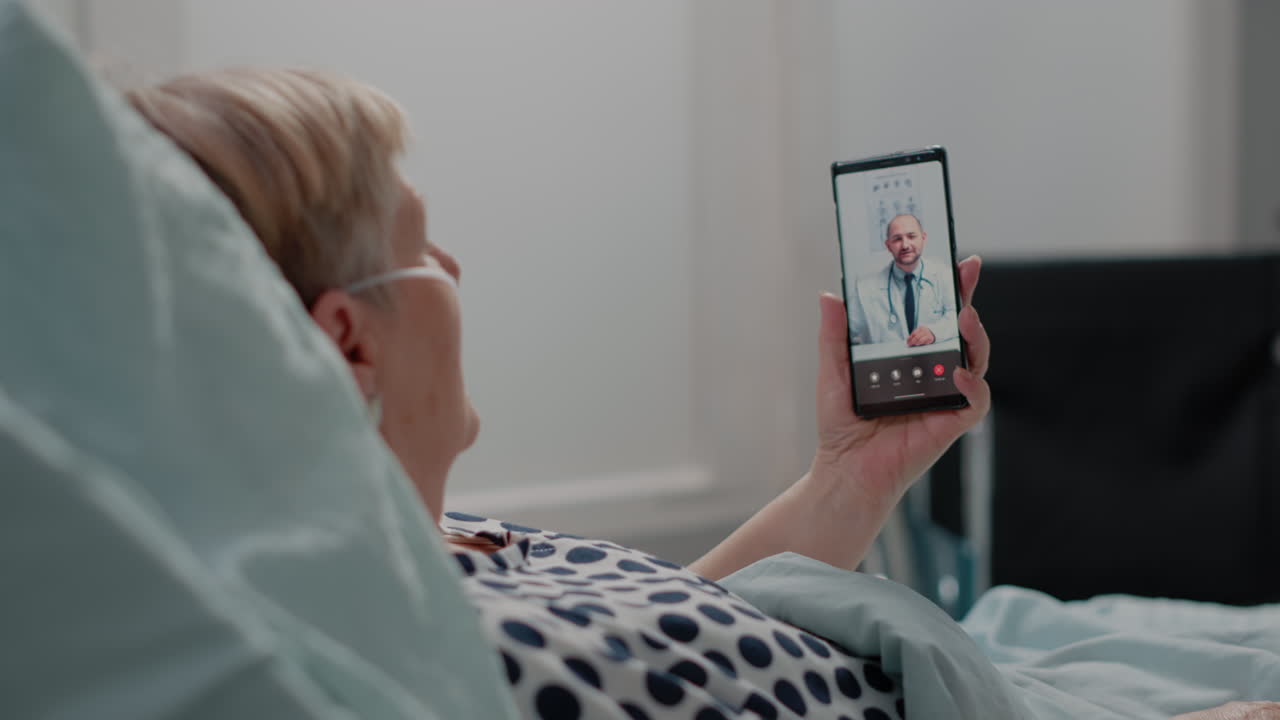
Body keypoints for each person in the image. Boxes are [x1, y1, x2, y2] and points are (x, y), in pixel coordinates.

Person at [124, 67, 981, 719]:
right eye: (421, 248)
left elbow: (683, 622)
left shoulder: (439, 554)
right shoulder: (451, 662)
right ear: (351, 341)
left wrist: (850, 476)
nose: (453, 268)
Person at [847, 213, 958, 348]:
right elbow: (844, 333)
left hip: (933, 362)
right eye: (897, 239)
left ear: (923, 238)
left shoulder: (945, 276)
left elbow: (958, 317)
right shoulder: (865, 289)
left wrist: (935, 332)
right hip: (886, 365)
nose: (905, 245)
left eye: (911, 236)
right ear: (888, 246)